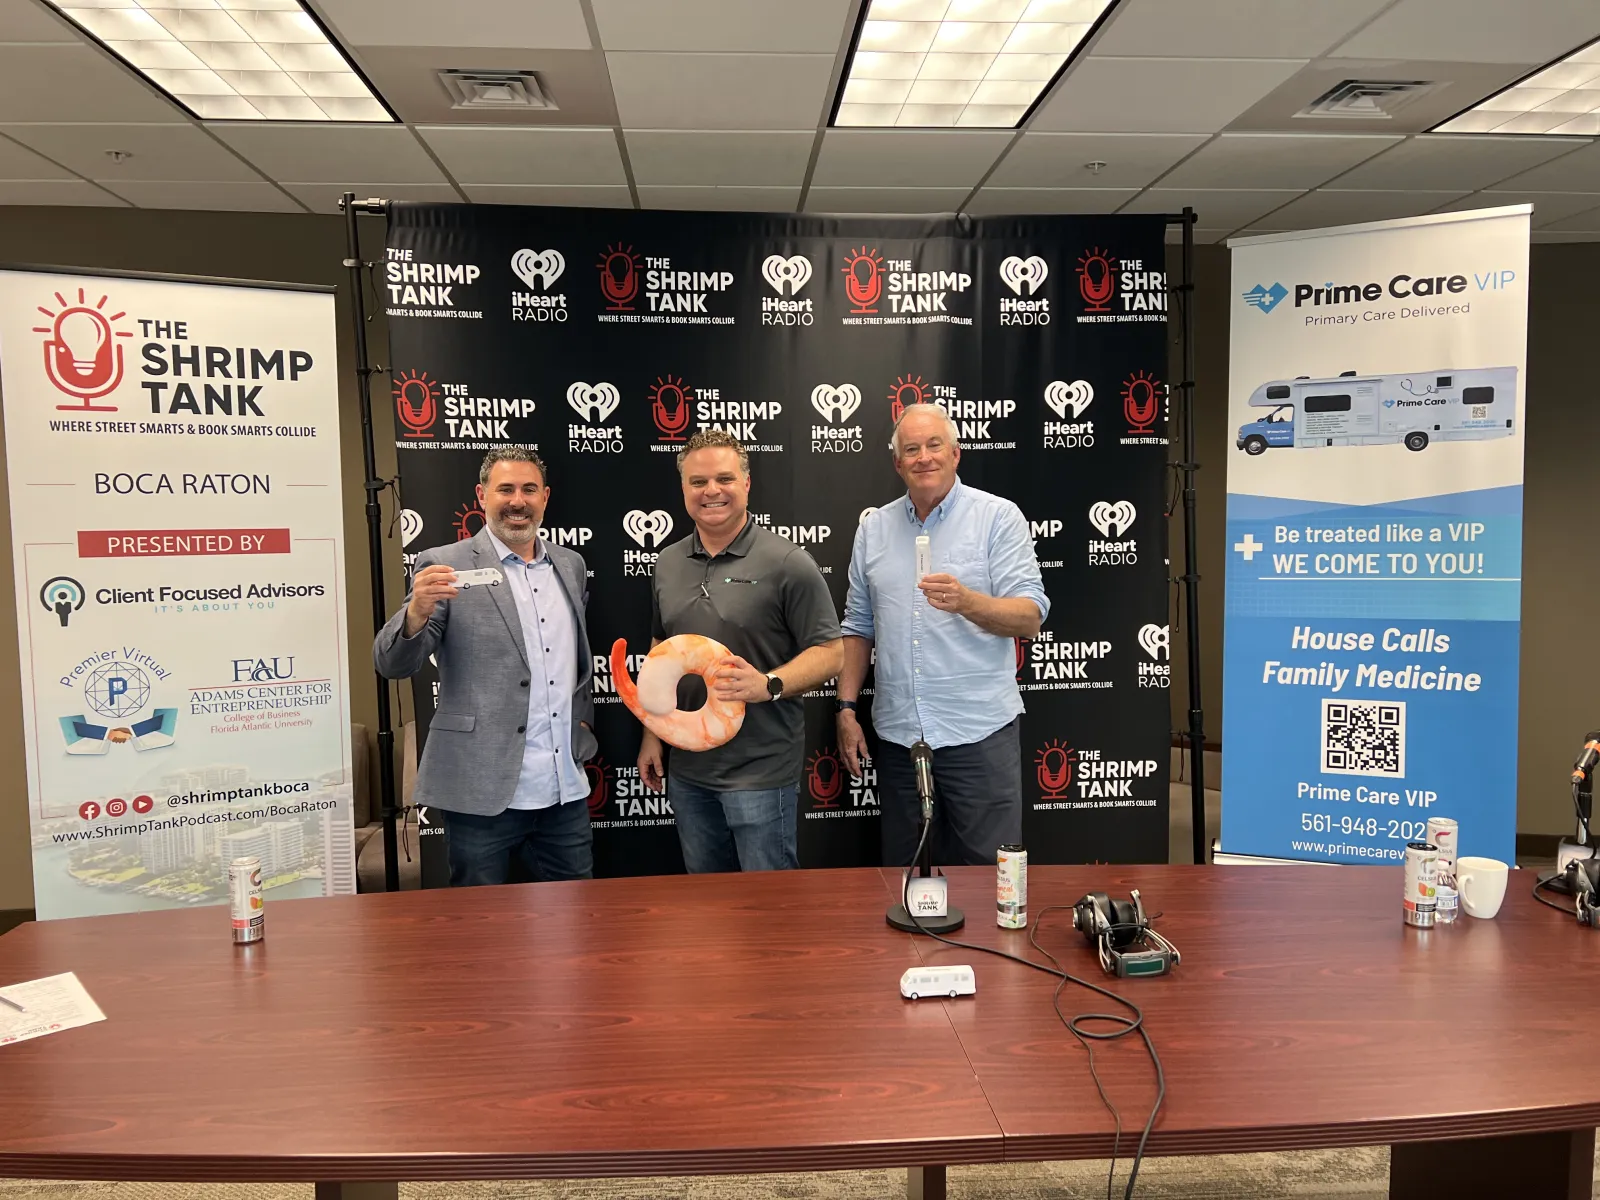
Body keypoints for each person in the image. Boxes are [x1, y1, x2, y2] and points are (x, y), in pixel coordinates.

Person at [837, 404, 1049, 867]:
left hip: (979, 736)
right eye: (910, 449)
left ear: (956, 453)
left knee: (990, 880)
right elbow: (856, 626)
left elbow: (1030, 617)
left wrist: (967, 601)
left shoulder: (997, 518)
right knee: (908, 880)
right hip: (899, 741)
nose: (923, 457)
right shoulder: (873, 529)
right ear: (897, 463)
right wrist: (847, 707)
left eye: (934, 446)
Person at [374, 447, 597, 887]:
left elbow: (573, 665)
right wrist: (416, 611)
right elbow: (392, 663)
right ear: (482, 496)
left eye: (529, 489)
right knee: (482, 934)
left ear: (546, 497)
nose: (518, 501)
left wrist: (583, 727)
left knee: (575, 925)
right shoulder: (444, 565)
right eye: (506, 489)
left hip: (563, 790)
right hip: (481, 793)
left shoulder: (570, 566)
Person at [637, 429, 843, 873]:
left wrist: (769, 684)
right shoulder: (668, 563)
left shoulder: (788, 562)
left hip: (760, 773)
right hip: (688, 773)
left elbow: (831, 651)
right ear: (684, 489)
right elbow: (661, 651)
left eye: (724, 479)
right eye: (698, 482)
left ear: (746, 484)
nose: (711, 491)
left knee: (767, 914)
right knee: (706, 913)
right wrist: (652, 732)